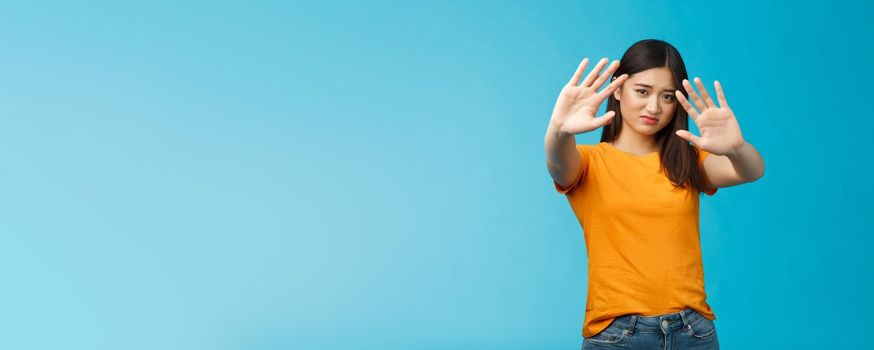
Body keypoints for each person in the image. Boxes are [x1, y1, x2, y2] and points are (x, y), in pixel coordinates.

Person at [544, 39, 765, 349]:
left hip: (692, 332)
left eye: (666, 97)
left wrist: (736, 149)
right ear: (618, 90)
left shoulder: (686, 160)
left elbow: (751, 171)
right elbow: (557, 162)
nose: (654, 107)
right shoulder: (589, 163)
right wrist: (558, 129)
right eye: (642, 91)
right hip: (617, 335)